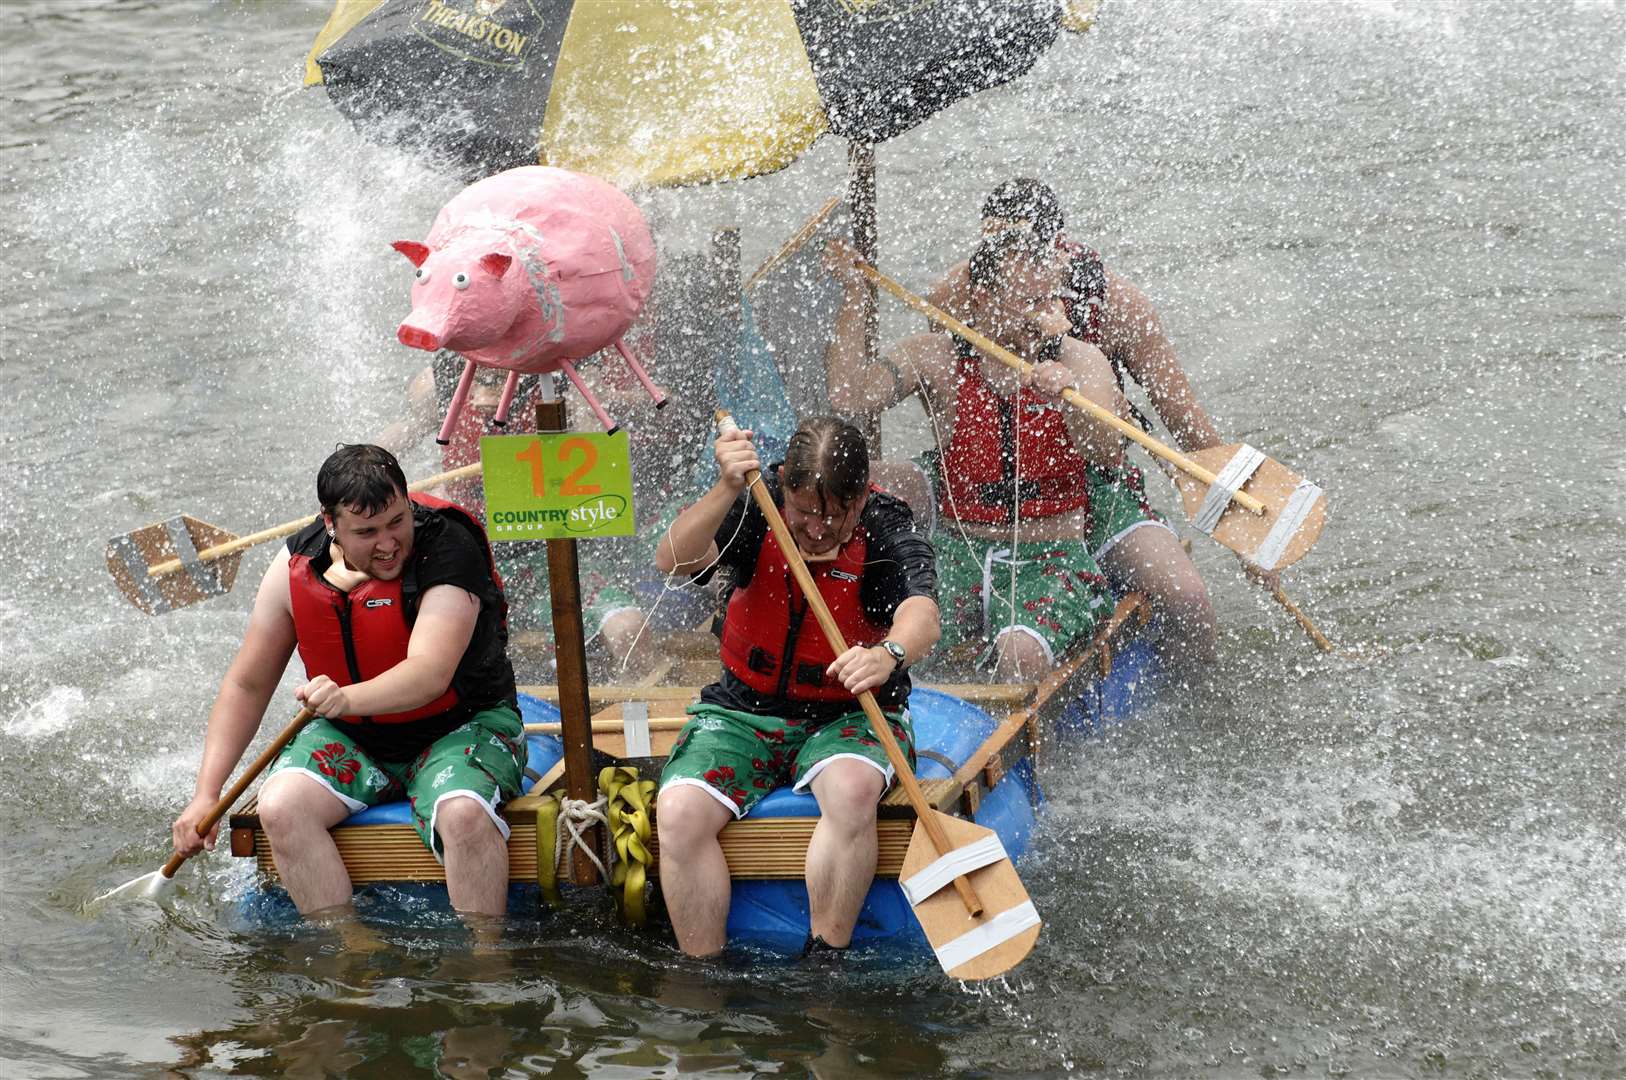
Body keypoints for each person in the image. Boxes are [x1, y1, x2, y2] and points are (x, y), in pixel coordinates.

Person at [170, 444, 525, 918]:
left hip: (461, 724)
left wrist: (345, 697)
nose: (388, 543)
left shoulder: (448, 548)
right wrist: (205, 795)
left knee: (462, 814)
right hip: (356, 736)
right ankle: (350, 962)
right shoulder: (295, 565)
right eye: (367, 532)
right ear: (330, 523)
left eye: (397, 521)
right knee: (280, 808)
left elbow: (430, 674)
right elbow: (247, 685)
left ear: (407, 502)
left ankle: (486, 968)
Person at [652, 417, 940, 957]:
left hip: (849, 714)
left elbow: (922, 614)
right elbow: (673, 561)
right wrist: (725, 488)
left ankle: (825, 961)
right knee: (679, 813)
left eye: (836, 514)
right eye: (805, 511)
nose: (817, 528)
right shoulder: (755, 504)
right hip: (744, 710)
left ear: (860, 498)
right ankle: (703, 974)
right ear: (785, 488)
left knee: (853, 792)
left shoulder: (884, 523)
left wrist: (888, 654)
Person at [925, 178, 1221, 663]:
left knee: (1187, 598)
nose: (1019, 260)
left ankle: (1196, 694)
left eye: (1030, 248)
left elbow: (1192, 434)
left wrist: (1243, 535)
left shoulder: (1119, 307)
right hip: (999, 496)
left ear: (1060, 246)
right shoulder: (961, 297)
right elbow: (940, 388)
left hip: (1099, 486)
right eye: (997, 246)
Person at [826, 228, 1136, 681]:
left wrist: (1069, 397)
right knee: (896, 640)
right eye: (1026, 301)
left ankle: (1029, 743)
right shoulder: (937, 358)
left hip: (1050, 559)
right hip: (957, 553)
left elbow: (1108, 453)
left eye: (1046, 300)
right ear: (982, 298)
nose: (1041, 313)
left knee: (1019, 654)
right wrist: (855, 297)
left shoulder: (1082, 361)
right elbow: (850, 396)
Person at [376, 354, 658, 676]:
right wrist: (361, 476)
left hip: (550, 551)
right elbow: (406, 432)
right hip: (469, 555)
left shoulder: (564, 373)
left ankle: (631, 715)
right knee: (403, 632)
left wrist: (534, 454)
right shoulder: (441, 376)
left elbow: (597, 469)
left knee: (628, 631)